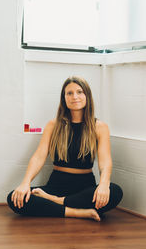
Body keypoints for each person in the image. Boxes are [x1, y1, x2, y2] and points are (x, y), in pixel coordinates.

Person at [7, 76, 123, 222]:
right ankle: (77, 212)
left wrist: (104, 185)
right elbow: (39, 157)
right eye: (69, 93)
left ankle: (56, 202)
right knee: (14, 198)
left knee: (115, 191)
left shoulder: (100, 127)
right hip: (56, 184)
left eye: (79, 92)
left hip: (84, 187)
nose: (75, 96)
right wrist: (25, 183)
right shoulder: (53, 125)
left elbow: (105, 162)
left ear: (87, 95)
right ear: (64, 98)